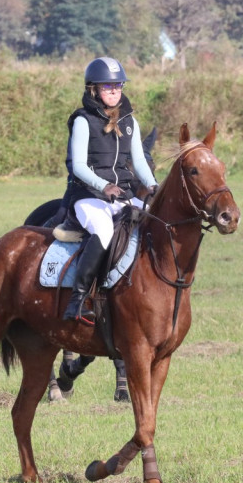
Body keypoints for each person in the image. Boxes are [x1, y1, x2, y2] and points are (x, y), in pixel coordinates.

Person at [62, 56, 158, 324]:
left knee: (156, 220)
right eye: (107, 86)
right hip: (88, 197)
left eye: (118, 85)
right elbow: (78, 166)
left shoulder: (130, 122)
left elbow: (138, 161)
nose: (114, 91)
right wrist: (104, 185)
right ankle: (78, 301)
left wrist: (152, 185)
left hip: (122, 196)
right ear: (94, 89)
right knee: (104, 231)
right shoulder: (83, 120)